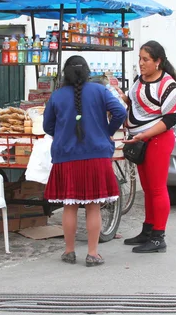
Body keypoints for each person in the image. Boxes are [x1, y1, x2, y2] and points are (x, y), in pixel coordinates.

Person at [43, 55, 127, 267]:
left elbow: (47, 127)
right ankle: (92, 253)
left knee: (68, 206)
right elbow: (120, 112)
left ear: (66, 74)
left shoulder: (57, 96)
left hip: (66, 157)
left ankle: (69, 251)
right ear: (88, 72)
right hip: (96, 156)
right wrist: (106, 131)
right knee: (93, 206)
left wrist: (62, 133)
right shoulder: (100, 91)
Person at [123, 41, 176, 253]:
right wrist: (117, 96)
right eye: (140, 59)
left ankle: (158, 237)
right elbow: (133, 102)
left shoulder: (168, 84)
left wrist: (144, 135)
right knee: (147, 189)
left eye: (146, 59)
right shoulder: (139, 80)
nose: (141, 63)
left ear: (158, 62)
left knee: (157, 189)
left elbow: (170, 119)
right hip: (141, 140)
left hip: (157, 140)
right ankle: (147, 230)